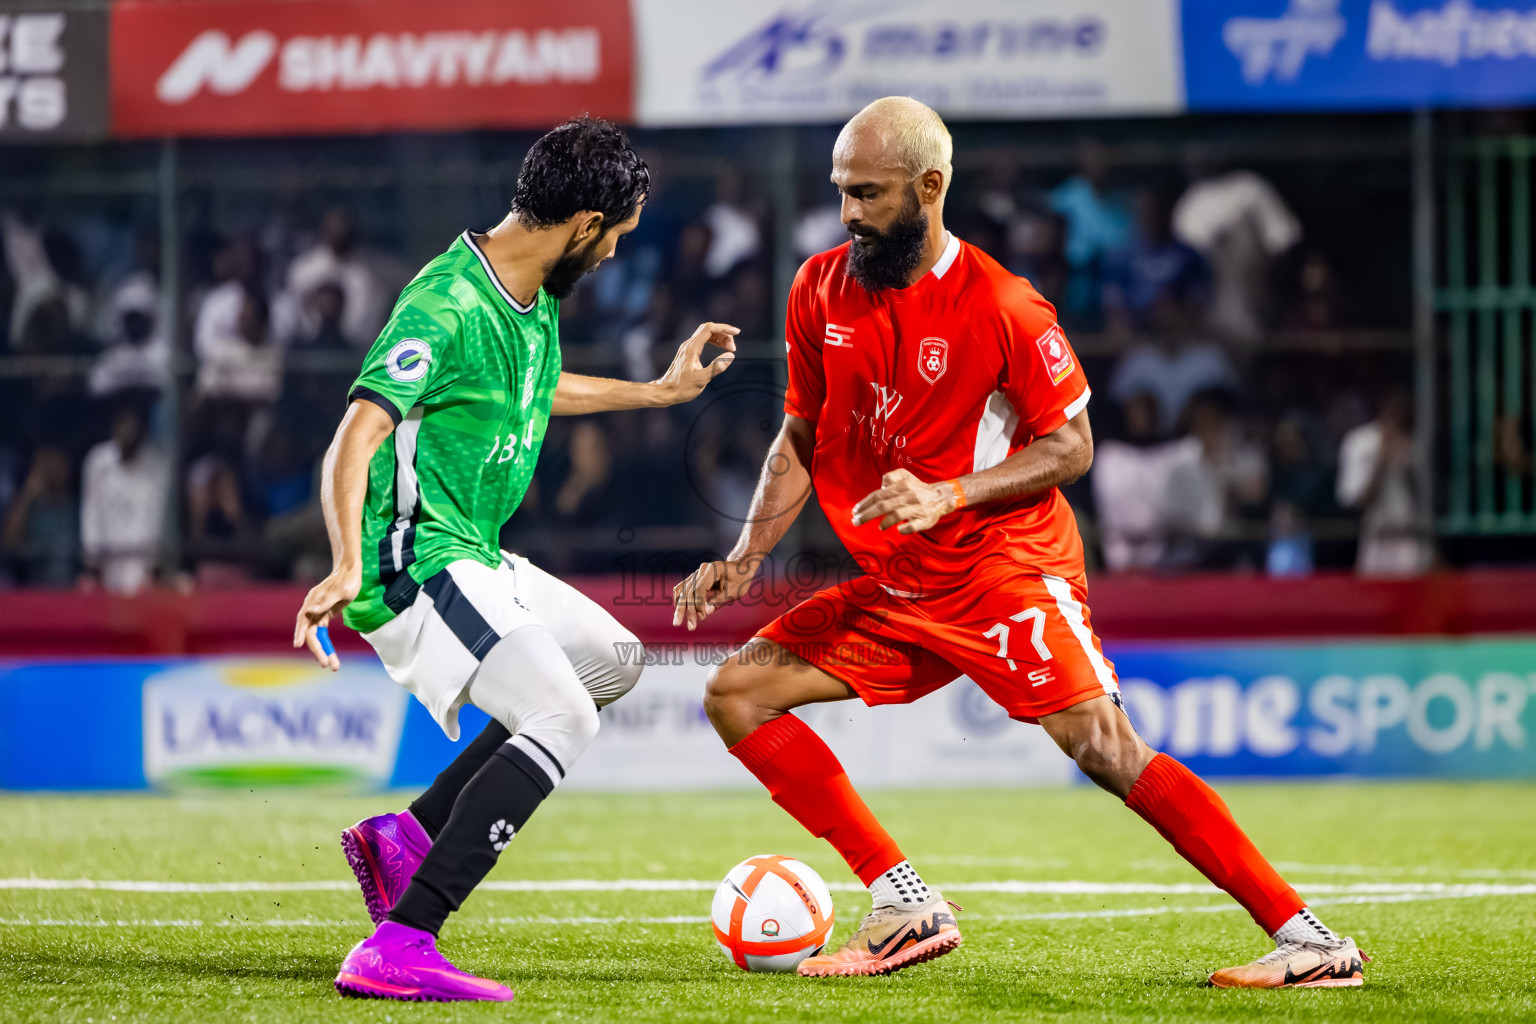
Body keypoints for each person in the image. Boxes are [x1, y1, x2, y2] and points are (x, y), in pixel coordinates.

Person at [673, 97, 1367, 988]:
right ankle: (904, 904)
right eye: (842, 190)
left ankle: (1311, 942)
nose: (848, 212)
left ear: (929, 187)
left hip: (1003, 569)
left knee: (1105, 746)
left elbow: (1073, 447)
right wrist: (744, 558)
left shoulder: (1004, 304)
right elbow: (801, 434)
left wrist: (950, 493)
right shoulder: (818, 288)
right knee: (738, 694)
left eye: (869, 193)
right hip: (901, 585)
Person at [291, 117, 738, 1003]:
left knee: (612, 661)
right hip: (413, 559)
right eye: (614, 236)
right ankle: (401, 943)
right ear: (584, 223)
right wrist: (344, 565)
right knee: (565, 716)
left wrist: (657, 393)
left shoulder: (531, 295)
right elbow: (358, 432)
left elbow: (534, 390)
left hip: (476, 550)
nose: (613, 254)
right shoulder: (447, 304)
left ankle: (410, 837)